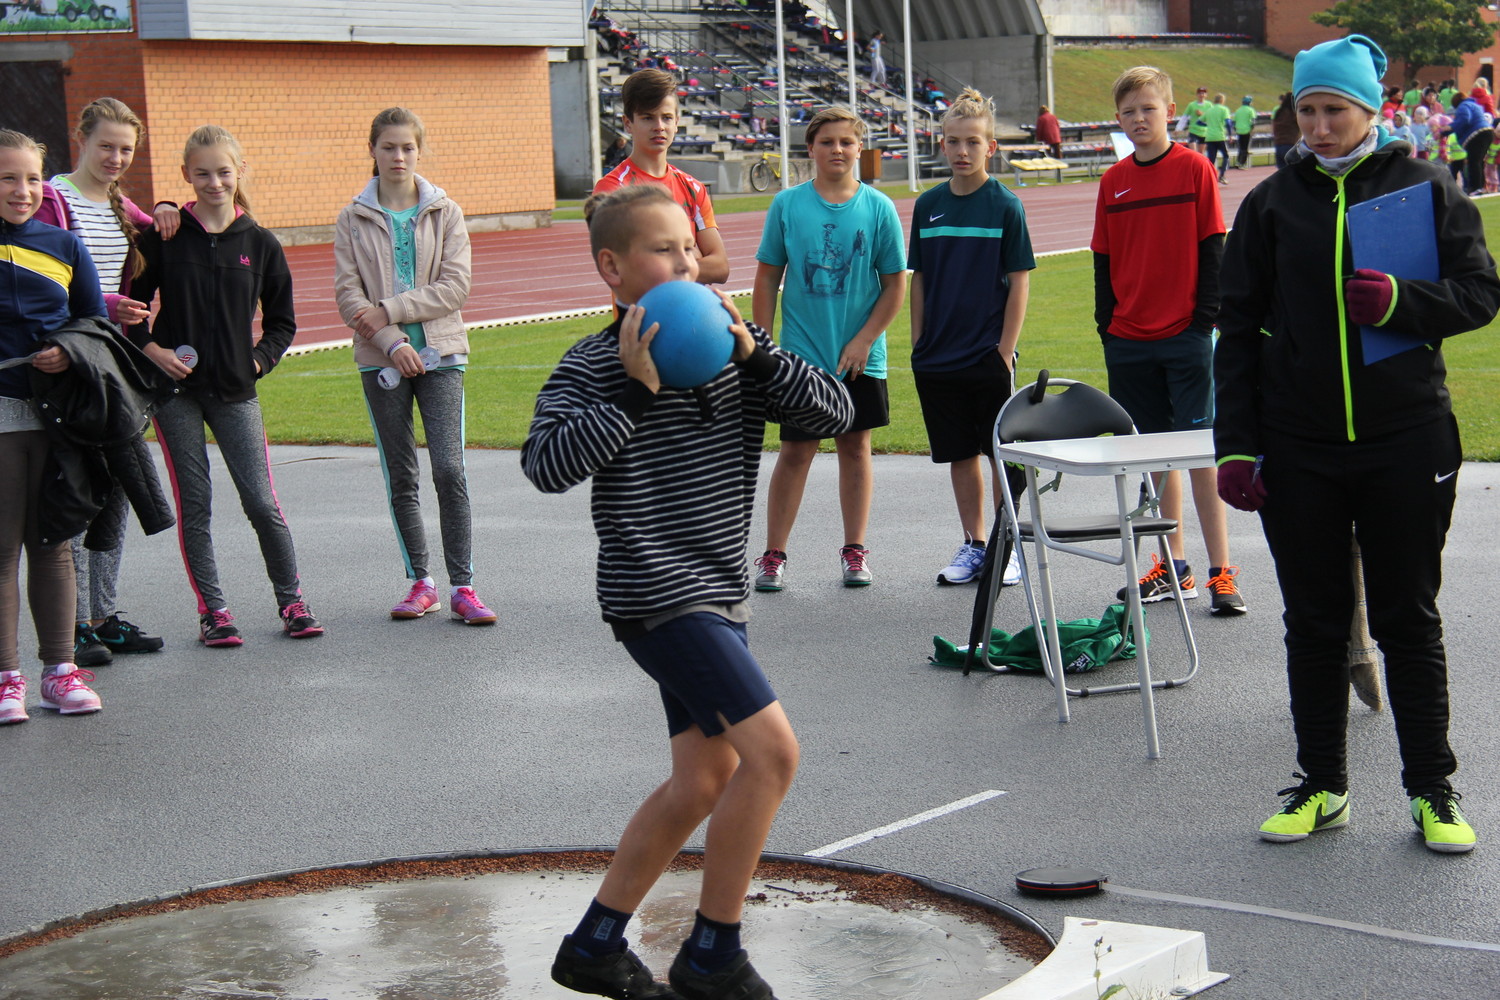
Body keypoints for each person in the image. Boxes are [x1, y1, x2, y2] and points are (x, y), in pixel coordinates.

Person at [524, 184, 852, 1000]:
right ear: (613, 268)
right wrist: (634, 393)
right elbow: (546, 465)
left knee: (703, 780)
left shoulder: (737, 345)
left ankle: (594, 945)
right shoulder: (594, 364)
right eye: (663, 250)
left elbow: (835, 412)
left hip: (719, 590)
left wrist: (758, 358)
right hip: (656, 592)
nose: (688, 263)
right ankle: (713, 955)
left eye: (691, 247)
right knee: (773, 754)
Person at [1216, 33, 1500, 853]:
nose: (1318, 126)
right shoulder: (1272, 203)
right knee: (1314, 621)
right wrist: (1235, 446)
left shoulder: (1426, 185)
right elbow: (1238, 328)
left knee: (1408, 618)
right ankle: (1322, 785)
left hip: (1406, 438)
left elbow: (1482, 292)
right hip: (1299, 444)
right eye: (1307, 109)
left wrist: (1404, 304)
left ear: (1369, 110)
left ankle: (1432, 790)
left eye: (1334, 109)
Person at [128, 125, 323, 647]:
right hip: (175, 393)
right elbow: (131, 313)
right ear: (186, 175)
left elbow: (282, 322)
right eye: (202, 173)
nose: (214, 182)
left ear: (240, 172)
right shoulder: (164, 237)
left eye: (223, 172)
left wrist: (256, 362)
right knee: (196, 504)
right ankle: (213, 611)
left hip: (236, 391)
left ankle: (292, 601)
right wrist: (154, 352)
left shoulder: (260, 243)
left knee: (261, 502)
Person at [1091, 66, 1246, 615]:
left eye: (1149, 108)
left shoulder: (1194, 168)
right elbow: (1103, 258)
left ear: (1171, 112)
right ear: (1118, 118)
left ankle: (1221, 571)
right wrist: (1108, 325)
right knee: (1154, 457)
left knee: (1200, 451)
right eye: (1129, 111)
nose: (1139, 118)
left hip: (1185, 334)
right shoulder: (1113, 181)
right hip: (1129, 339)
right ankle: (1173, 566)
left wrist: (1203, 321)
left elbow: (1213, 248)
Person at [334, 108, 495, 626]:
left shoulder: (446, 212)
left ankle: (463, 586)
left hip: (442, 355)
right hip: (380, 362)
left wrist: (391, 310)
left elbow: (455, 287)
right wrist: (389, 339)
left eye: (407, 147)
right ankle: (421, 583)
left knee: (449, 469)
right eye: (388, 147)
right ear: (373, 151)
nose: (398, 156)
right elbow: (348, 295)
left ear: (419, 151)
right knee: (401, 473)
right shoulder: (352, 217)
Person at [33, 97, 176, 668]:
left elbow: (160, 227)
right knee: (76, 489)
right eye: (106, 146)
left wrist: (166, 205)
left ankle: (103, 617)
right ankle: (70, 624)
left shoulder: (118, 203)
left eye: (126, 149)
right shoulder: (52, 198)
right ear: (82, 140)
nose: (116, 157)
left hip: (108, 363)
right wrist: (108, 304)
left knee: (116, 490)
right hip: (69, 363)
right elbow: (46, 280)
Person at [752, 106, 907, 590]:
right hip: (802, 356)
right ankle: (774, 554)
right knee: (795, 451)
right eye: (827, 142)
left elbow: (895, 285)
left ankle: (855, 551)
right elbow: (767, 278)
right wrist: (763, 348)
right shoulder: (787, 205)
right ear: (811, 149)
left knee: (855, 448)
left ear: (860, 148)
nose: (837, 149)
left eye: (846, 141)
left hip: (860, 357)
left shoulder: (878, 207)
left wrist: (864, 341)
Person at [907, 88, 1035, 587]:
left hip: (987, 356)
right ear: (942, 144)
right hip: (937, 357)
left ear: (990, 147)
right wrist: (919, 343)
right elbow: (920, 279)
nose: (962, 151)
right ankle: (975, 544)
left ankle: (1009, 546)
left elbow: (1019, 282)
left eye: (973, 142)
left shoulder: (1005, 205)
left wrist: (1003, 351)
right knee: (959, 455)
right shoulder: (928, 205)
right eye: (954, 141)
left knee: (999, 454)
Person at [0, 129, 105, 724]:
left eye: (33, 178)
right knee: (2, 549)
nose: (23, 190)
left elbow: (93, 322)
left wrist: (68, 352)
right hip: (1, 415)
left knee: (53, 543)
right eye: (8, 178)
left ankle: (59, 672)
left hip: (56, 417)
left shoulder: (63, 244)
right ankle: (6, 679)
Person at [595, 69, 728, 284]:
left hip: (692, 306)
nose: (659, 127)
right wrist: (692, 257)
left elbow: (721, 268)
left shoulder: (693, 188)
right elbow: (627, 269)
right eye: (648, 118)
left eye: (666, 118)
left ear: (676, 122)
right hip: (644, 307)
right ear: (628, 123)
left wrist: (661, 258)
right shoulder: (613, 190)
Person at [1449, 88, 1492, 195]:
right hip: (1487, 131)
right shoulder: (1475, 105)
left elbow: (1465, 119)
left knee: (1474, 161)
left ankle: (1476, 187)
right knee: (1479, 161)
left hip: (1476, 134)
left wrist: (1451, 127)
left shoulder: (1463, 106)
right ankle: (1481, 186)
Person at [1203, 92, 1232, 183]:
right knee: (1226, 156)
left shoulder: (1209, 110)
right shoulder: (1224, 109)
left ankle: (1210, 177)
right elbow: (1228, 122)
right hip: (1220, 136)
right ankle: (1222, 175)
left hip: (1209, 137)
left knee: (1211, 158)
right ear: (1222, 100)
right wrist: (1230, 134)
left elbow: (1199, 121)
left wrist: (1209, 125)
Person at [1272, 91, 1298, 168]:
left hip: (1278, 145)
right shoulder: (1294, 114)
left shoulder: (1278, 112)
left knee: (1283, 172)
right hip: (1291, 145)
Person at [1232, 95, 1256, 169]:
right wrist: (1251, 130)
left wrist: (1236, 129)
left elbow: (1234, 122)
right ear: (1249, 102)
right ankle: (1242, 163)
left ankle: (1238, 162)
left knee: (1240, 148)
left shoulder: (1238, 110)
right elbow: (1253, 121)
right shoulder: (1250, 110)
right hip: (1247, 131)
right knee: (1245, 149)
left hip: (1239, 131)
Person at [1185, 86, 1211, 154]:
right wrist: (1178, 128)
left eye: (1203, 93)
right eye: (1199, 93)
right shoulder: (1192, 105)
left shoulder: (1209, 105)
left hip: (1204, 132)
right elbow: (1184, 117)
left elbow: (1211, 117)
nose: (1201, 95)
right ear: (1197, 95)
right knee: (1193, 152)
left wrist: (1202, 114)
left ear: (1206, 95)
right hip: (1193, 131)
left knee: (1201, 153)